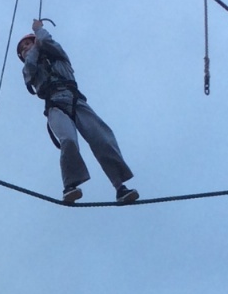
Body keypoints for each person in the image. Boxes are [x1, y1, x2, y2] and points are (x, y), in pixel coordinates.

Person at [19, 19, 140, 205]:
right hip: (55, 105)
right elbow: (30, 66)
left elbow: (47, 42)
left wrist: (39, 31)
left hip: (76, 101)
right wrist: (35, 45)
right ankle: (70, 186)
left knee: (102, 139)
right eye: (23, 49)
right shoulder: (28, 69)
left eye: (28, 43)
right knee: (68, 140)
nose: (26, 48)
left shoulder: (58, 55)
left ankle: (120, 187)